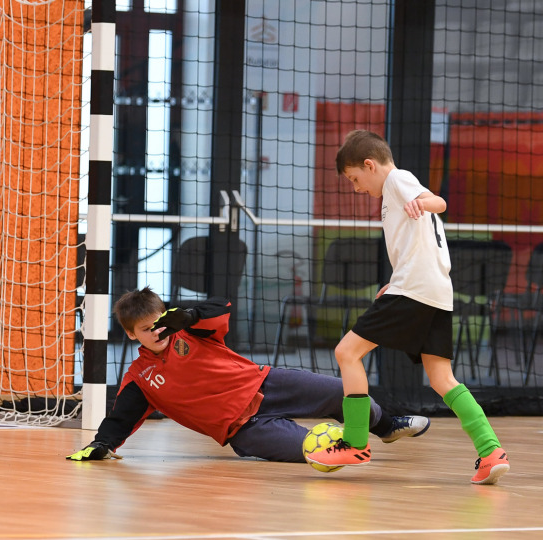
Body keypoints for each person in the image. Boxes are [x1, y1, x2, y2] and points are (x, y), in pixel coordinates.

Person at [305, 129, 509, 485]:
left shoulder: (398, 180)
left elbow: (439, 203)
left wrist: (424, 202)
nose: (356, 188)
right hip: (435, 291)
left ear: (370, 165)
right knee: (442, 379)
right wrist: (395, 281)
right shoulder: (393, 193)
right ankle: (491, 451)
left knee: (347, 352)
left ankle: (354, 441)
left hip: (415, 290)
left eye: (355, 179)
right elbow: (421, 246)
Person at [66, 287, 430, 464]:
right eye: (146, 330)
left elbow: (222, 306)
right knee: (315, 452)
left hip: (267, 383)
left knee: (339, 390)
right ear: (131, 334)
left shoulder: (190, 330)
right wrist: (103, 444)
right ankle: (348, 446)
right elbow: (121, 417)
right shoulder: (140, 378)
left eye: (160, 324)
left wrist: (189, 315)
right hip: (244, 428)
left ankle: (386, 428)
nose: (157, 333)